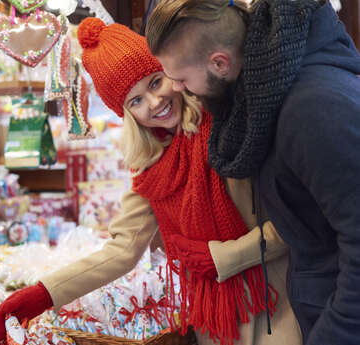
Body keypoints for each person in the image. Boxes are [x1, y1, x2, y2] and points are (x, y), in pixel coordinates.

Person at [0, 17, 300, 345]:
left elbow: (295, 222)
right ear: (126, 114)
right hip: (216, 327)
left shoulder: (228, 127)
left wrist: (221, 257)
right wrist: (40, 295)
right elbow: (122, 249)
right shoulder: (153, 168)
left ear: (170, 72)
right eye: (134, 101)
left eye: (154, 82)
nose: (154, 103)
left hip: (278, 309)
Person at [145, 0, 360, 344]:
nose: (177, 89)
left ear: (220, 63)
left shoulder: (311, 110)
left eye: (181, 78)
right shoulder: (265, 99)